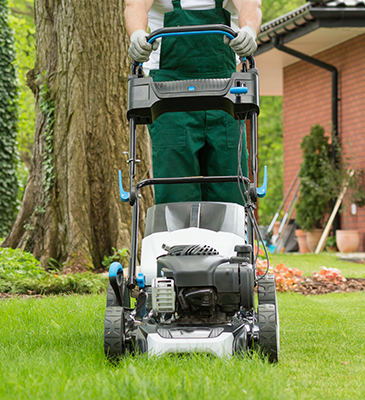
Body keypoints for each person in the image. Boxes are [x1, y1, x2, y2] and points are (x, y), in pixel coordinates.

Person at [125, 0, 262, 205]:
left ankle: (233, 236)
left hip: (225, 91)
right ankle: (175, 236)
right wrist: (136, 33)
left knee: (231, 188)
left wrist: (249, 30)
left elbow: (250, 4)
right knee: (176, 192)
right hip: (168, 97)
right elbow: (134, 4)